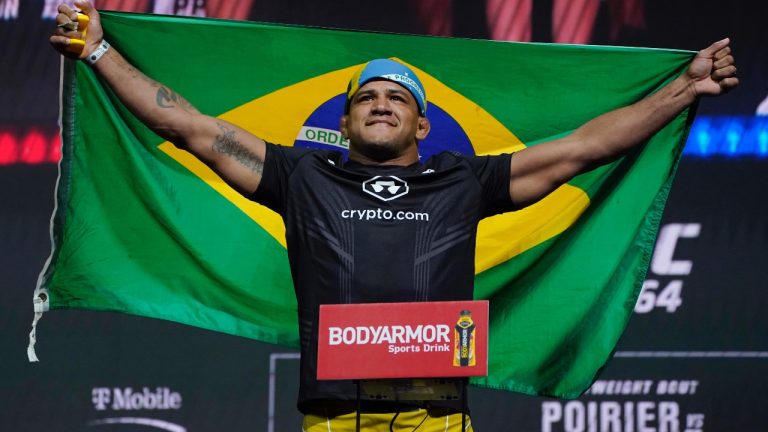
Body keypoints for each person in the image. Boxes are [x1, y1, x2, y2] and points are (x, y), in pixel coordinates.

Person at [50, 1, 738, 430]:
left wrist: (685, 87)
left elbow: (584, 148)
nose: (381, 103)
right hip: (332, 421)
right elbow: (194, 129)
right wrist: (101, 51)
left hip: (435, 421)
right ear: (345, 118)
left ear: (421, 122)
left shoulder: (461, 180)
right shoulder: (301, 176)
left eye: (397, 97)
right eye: (367, 96)